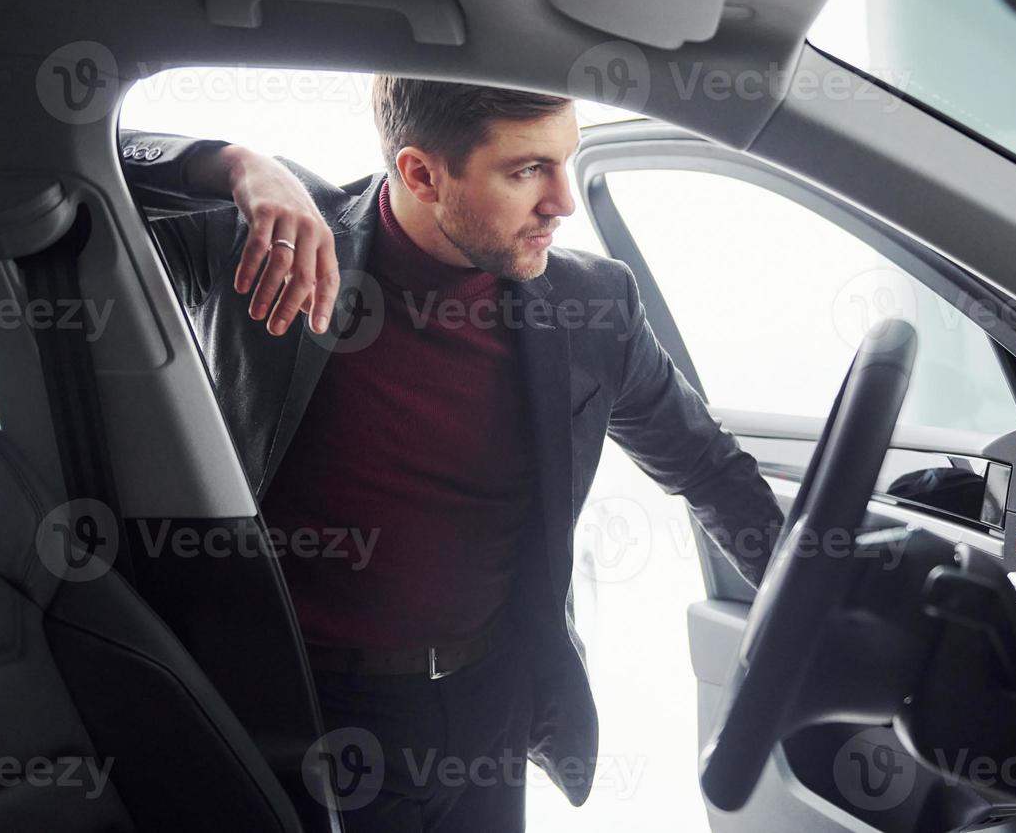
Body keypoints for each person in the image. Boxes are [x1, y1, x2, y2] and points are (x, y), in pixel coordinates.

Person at [118, 77, 784, 832]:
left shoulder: (595, 307)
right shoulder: (275, 251)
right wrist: (232, 163)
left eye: (567, 161)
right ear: (421, 174)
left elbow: (710, 471)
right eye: (527, 169)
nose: (563, 201)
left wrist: (807, 603)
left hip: (487, 712)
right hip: (303, 714)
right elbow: (69, 160)